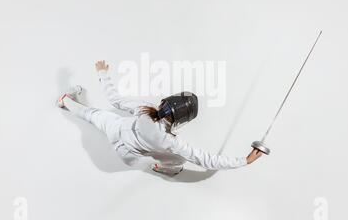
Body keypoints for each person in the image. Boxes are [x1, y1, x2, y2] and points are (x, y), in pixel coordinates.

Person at [57, 60, 263, 176]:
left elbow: (115, 99)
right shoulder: (171, 142)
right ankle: (164, 169)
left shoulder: (145, 109)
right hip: (127, 156)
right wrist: (244, 160)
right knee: (179, 160)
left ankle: (65, 101)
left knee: (89, 114)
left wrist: (102, 73)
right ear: (182, 120)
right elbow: (205, 159)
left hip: (114, 128)